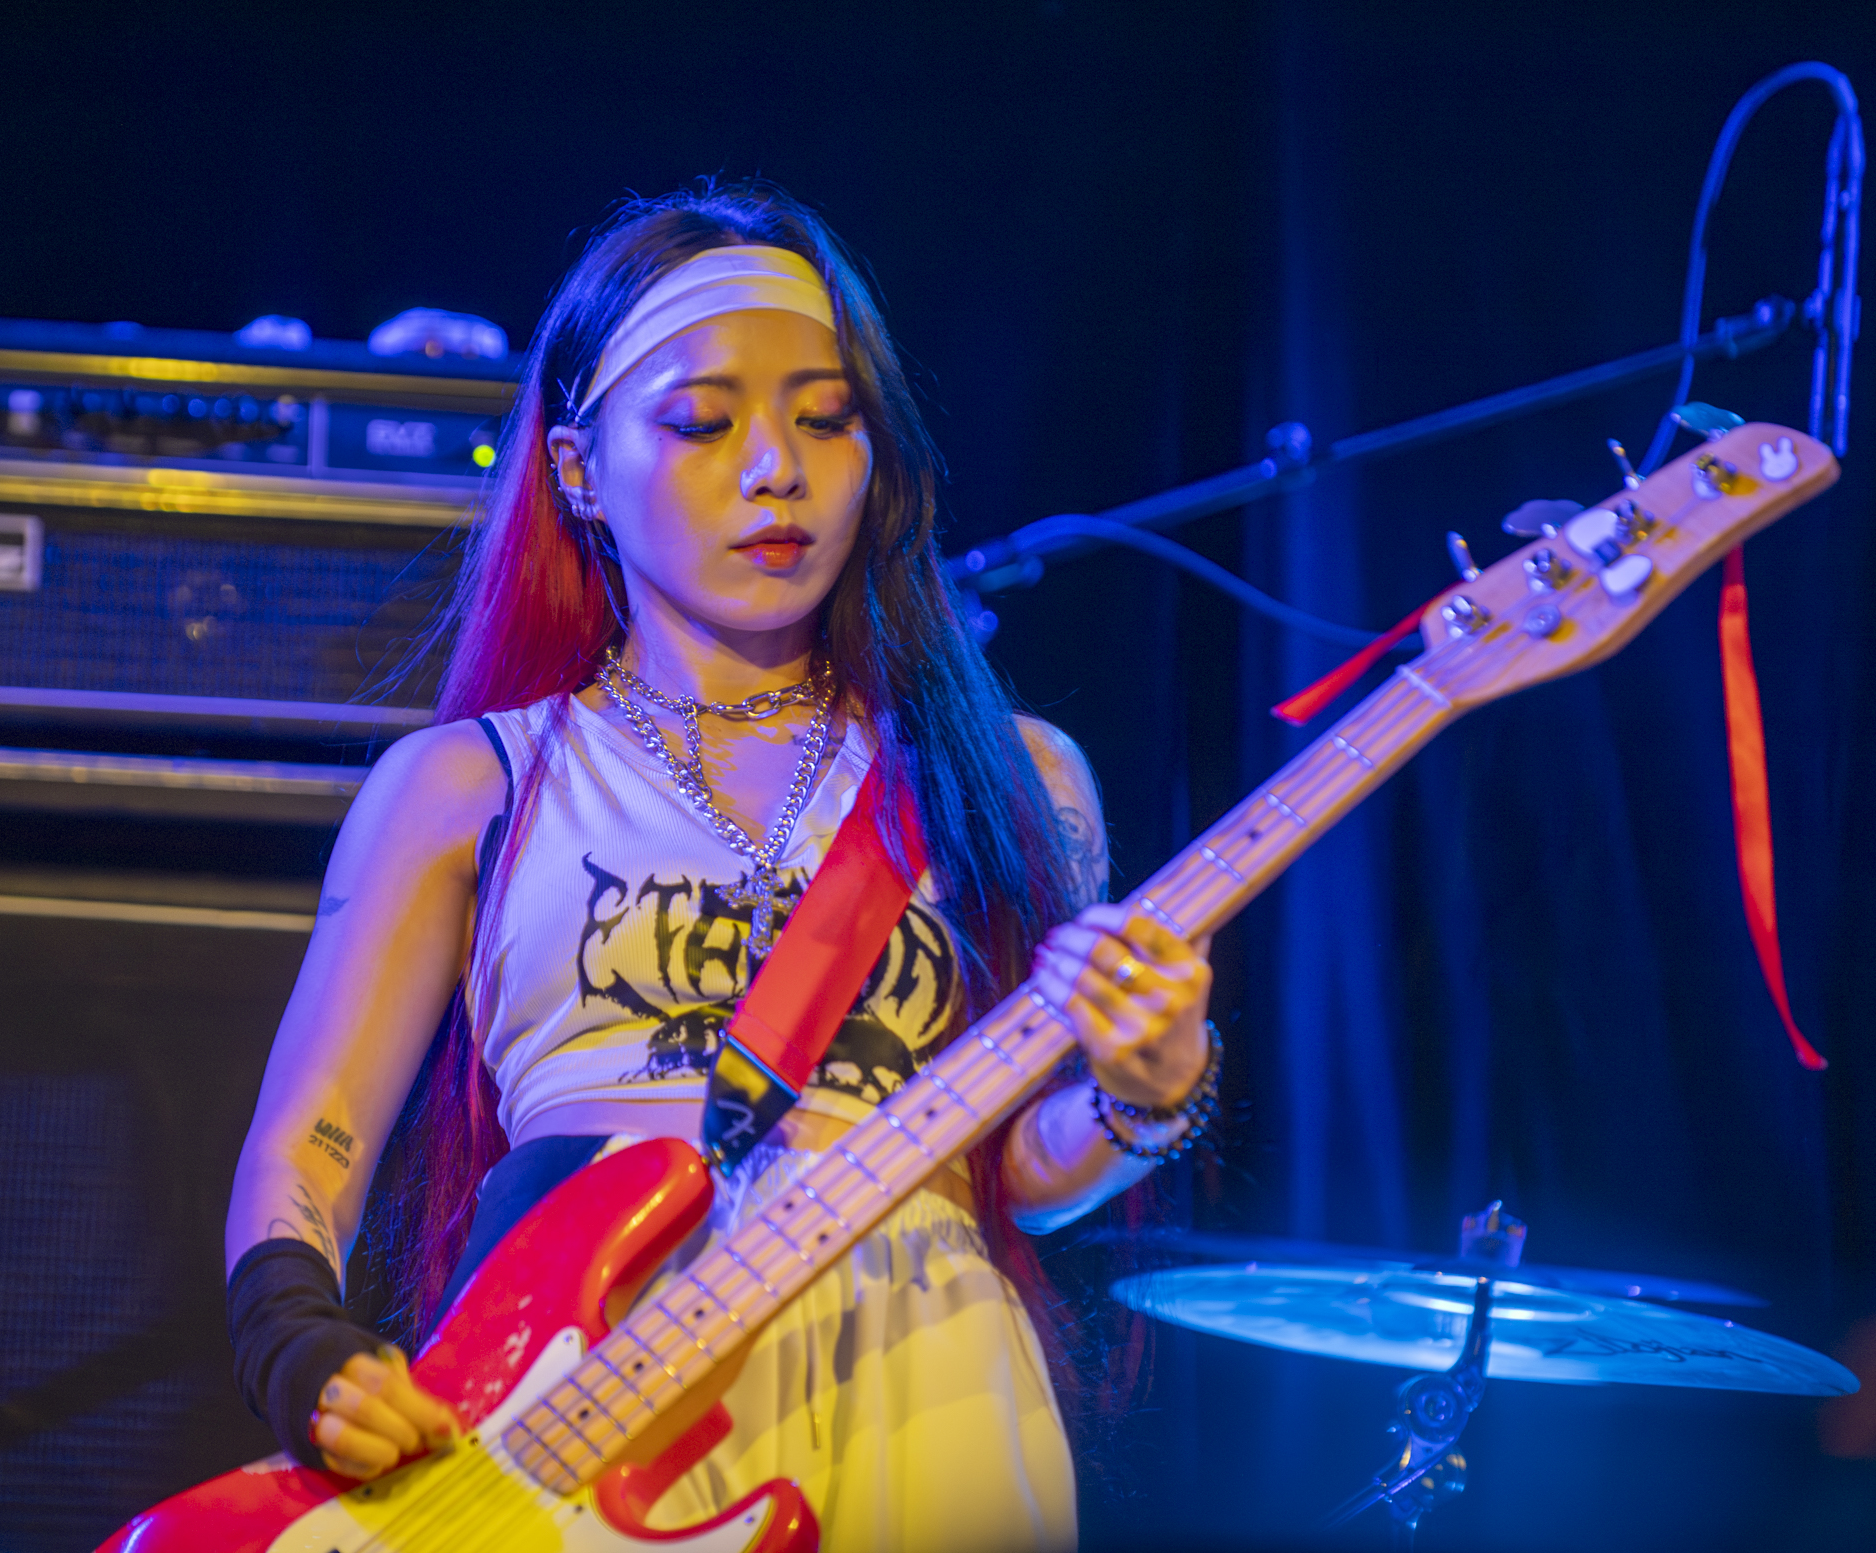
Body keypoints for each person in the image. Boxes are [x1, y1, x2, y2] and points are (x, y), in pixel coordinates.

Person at [223, 182, 1217, 1552]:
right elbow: (313, 1138)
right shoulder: (469, 784)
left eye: (826, 419)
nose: (775, 471)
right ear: (578, 470)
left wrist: (1147, 1091)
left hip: (929, 1378)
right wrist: (298, 1343)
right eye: (702, 422)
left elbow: (1024, 1171)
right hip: (580, 1387)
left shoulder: (1012, 776)